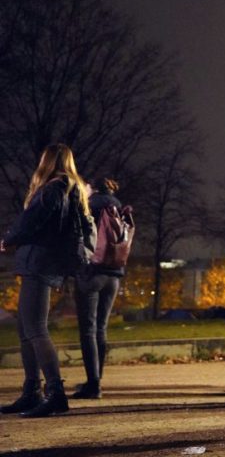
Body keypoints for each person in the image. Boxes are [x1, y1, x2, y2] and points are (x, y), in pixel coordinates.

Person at [0, 144, 91, 418]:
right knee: (26, 329)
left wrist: (8, 239)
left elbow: (30, 221)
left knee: (36, 329)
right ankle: (32, 391)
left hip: (39, 263)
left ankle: (54, 393)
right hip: (46, 262)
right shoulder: (72, 189)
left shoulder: (54, 189)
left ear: (48, 161)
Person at [72, 177, 124, 400]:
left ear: (92, 188)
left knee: (88, 330)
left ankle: (93, 384)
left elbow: (77, 236)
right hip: (114, 275)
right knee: (101, 328)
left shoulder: (89, 205)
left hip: (91, 272)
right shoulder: (118, 206)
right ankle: (96, 380)